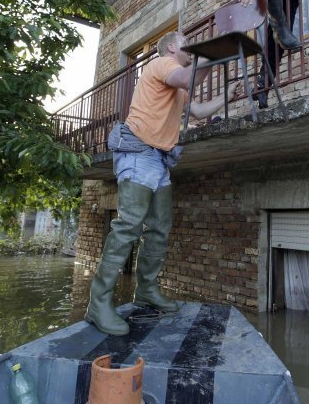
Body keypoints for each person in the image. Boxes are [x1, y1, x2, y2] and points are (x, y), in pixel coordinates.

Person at [85, 31, 240, 336]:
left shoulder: (178, 84)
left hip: (158, 160)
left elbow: (197, 110)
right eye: (187, 43)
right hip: (138, 153)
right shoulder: (160, 65)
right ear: (172, 47)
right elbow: (189, 79)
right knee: (129, 225)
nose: (191, 49)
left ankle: (146, 291)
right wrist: (211, 54)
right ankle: (97, 304)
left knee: (159, 228)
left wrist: (227, 94)